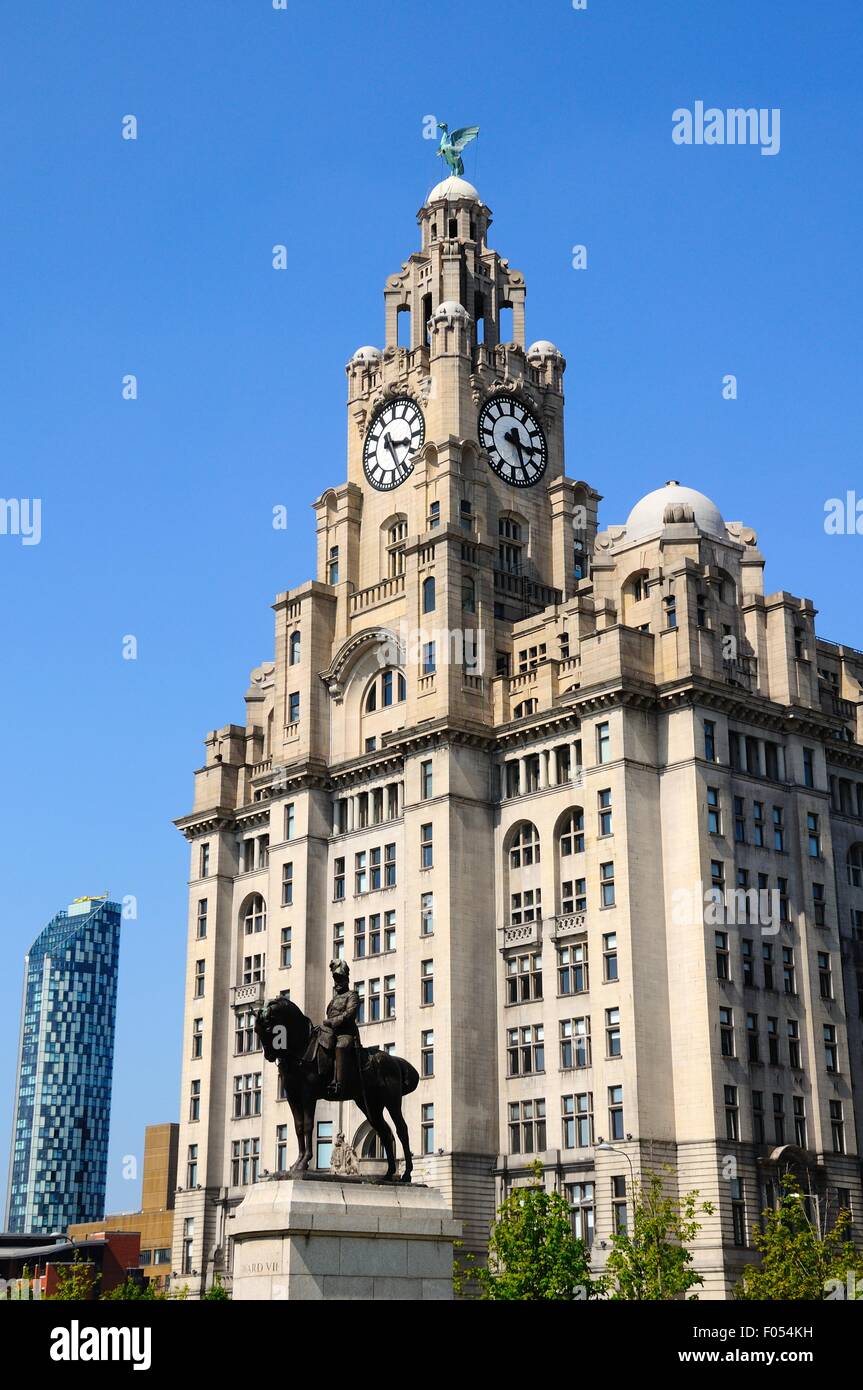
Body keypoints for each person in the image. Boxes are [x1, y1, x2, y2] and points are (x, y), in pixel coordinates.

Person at [318, 958, 361, 1099]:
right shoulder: (333, 1001)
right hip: (332, 1034)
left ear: (346, 979)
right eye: (335, 979)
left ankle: (340, 1084)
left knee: (341, 1047)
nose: (337, 983)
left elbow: (350, 1014)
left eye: (340, 979)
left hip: (347, 1034)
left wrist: (332, 1022)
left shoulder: (352, 995)